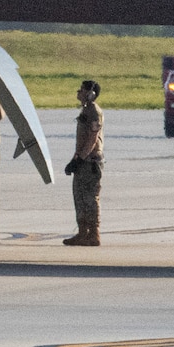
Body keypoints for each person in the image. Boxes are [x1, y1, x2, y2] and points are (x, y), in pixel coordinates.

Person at [63, 79, 104, 246]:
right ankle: (82, 232)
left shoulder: (94, 112)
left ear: (90, 93)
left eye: (82, 90)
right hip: (83, 160)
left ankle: (93, 233)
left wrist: (79, 159)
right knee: (79, 196)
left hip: (90, 162)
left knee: (90, 197)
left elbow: (93, 138)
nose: (78, 92)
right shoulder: (86, 110)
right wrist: (75, 159)